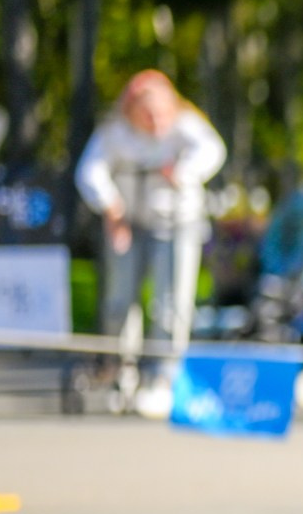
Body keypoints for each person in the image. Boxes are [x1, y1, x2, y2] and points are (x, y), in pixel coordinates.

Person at [74, 70, 227, 412]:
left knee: (170, 303)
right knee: (119, 301)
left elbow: (213, 150)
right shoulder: (114, 132)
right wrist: (109, 205)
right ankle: (122, 373)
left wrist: (185, 172)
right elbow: (89, 171)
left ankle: (165, 377)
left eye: (160, 113)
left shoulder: (185, 125)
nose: (155, 121)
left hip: (176, 224)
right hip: (127, 223)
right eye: (147, 114)